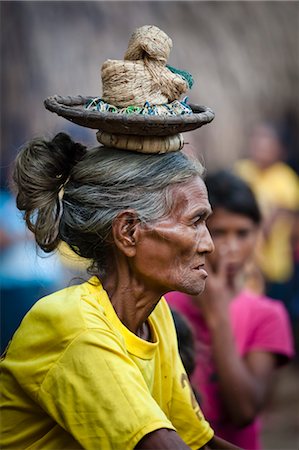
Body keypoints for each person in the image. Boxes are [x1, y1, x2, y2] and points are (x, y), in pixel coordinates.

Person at [0, 133, 239, 450]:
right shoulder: (73, 325)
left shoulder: (157, 316)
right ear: (128, 232)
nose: (208, 245)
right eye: (195, 222)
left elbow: (198, 442)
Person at [166, 170, 294, 450]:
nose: (230, 248)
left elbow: (244, 411)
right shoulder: (165, 303)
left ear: (257, 233)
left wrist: (218, 316)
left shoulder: (268, 315)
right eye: (219, 232)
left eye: (243, 233)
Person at [234, 122, 299, 300]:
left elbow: (290, 226)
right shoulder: (241, 171)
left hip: (275, 266)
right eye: (257, 140)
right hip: (245, 264)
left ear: (279, 148)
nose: (260, 146)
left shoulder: (286, 180)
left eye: (267, 141)